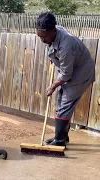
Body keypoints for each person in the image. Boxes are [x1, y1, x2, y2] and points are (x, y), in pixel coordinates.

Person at [35, 12, 96, 146]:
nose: (43, 41)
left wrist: (53, 86)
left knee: (65, 105)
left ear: (53, 30)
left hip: (81, 73)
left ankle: (60, 141)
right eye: (40, 37)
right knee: (61, 102)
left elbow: (66, 74)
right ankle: (62, 136)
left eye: (44, 37)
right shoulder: (56, 33)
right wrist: (54, 58)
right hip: (71, 69)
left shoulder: (66, 46)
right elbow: (60, 59)